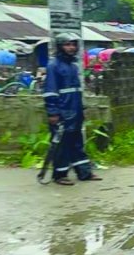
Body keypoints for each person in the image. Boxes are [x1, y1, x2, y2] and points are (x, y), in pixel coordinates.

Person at [43, 33, 102, 185]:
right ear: (60, 46)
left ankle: (84, 172)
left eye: (73, 44)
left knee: (77, 143)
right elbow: (50, 91)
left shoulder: (73, 66)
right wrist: (53, 112)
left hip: (75, 111)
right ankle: (60, 175)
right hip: (62, 112)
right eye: (67, 44)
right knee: (62, 145)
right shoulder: (53, 65)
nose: (71, 47)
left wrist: (81, 108)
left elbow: (76, 90)